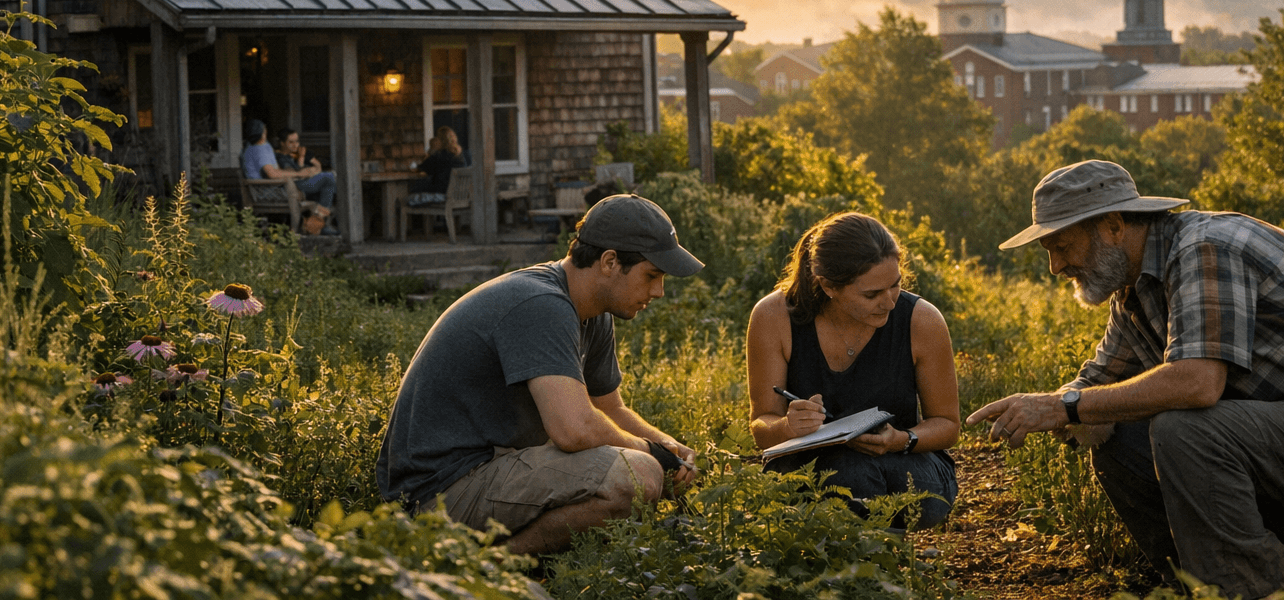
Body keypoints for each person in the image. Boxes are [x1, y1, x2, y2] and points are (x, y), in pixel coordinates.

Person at [966, 160, 1284, 600]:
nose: (1056, 267)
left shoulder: (1205, 247)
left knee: (1184, 429)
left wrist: (1063, 407)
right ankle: (1226, 579)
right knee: (1114, 435)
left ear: (1112, 226)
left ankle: (1249, 590)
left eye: (1062, 247)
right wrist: (1052, 407)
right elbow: (1094, 383)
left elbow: (1197, 384)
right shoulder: (1133, 288)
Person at [376, 193, 703, 554]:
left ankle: (511, 563)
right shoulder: (542, 304)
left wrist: (670, 449)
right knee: (637, 476)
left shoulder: (593, 314)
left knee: (647, 467)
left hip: (491, 469)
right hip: (437, 493)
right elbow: (573, 429)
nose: (657, 292)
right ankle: (491, 568)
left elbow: (610, 409)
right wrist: (651, 453)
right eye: (652, 275)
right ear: (610, 262)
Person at [746, 212, 959, 528]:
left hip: (904, 461)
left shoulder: (922, 320)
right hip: (813, 466)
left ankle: (867, 560)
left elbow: (947, 424)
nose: (888, 302)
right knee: (845, 472)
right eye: (871, 294)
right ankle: (865, 559)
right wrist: (787, 427)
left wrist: (901, 439)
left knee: (856, 475)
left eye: (896, 285)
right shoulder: (773, 316)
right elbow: (762, 424)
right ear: (829, 286)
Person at [240, 119, 337, 235]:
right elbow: (272, 174)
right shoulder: (259, 149)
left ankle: (317, 224)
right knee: (329, 179)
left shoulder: (251, 148)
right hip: (275, 190)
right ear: (262, 133)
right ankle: (317, 225)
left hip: (277, 186)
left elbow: (274, 172)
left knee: (330, 182)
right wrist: (299, 174)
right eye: (264, 131)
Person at [404, 125, 470, 206]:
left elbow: (417, 168)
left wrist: (430, 151)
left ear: (440, 141)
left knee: (408, 196)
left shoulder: (439, 156)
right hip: (459, 198)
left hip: (443, 197)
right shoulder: (460, 156)